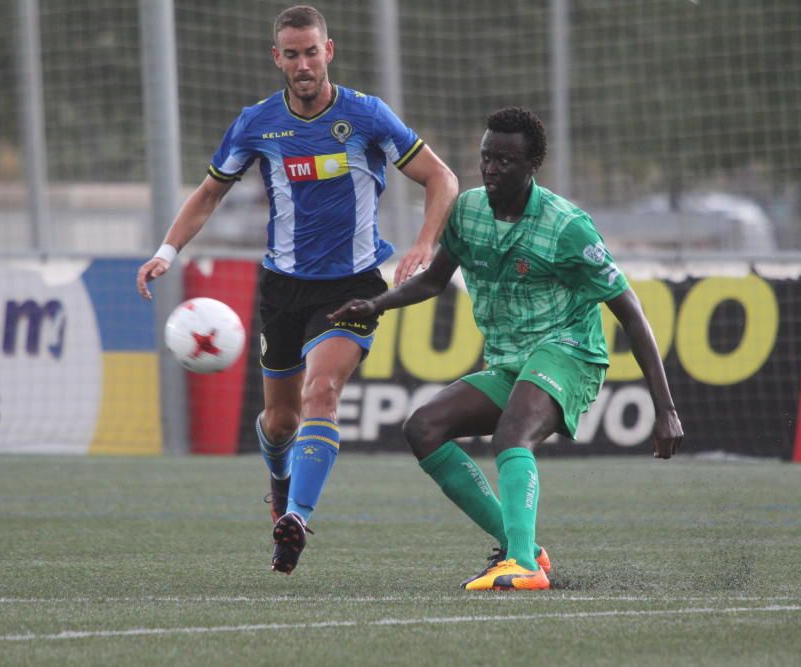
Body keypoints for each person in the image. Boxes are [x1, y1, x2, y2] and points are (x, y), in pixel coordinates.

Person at [136, 5, 458, 575]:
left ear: (328, 51)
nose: (304, 64)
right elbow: (210, 193)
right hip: (283, 287)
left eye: (312, 52)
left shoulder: (367, 116)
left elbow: (442, 177)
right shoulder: (257, 122)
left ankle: (298, 519)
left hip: (353, 285)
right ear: (277, 58)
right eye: (292, 54)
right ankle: (281, 491)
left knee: (323, 393)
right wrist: (166, 253)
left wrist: (425, 244)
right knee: (279, 422)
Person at [329, 107, 683, 591]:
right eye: (486, 157)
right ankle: (524, 548)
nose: (491, 169)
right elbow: (433, 282)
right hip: (511, 361)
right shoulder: (469, 210)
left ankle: (521, 566)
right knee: (424, 428)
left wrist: (665, 408)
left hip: (570, 353)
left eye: (505, 161)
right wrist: (377, 304)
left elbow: (631, 312)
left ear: (532, 165)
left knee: (513, 433)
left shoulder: (567, 227)